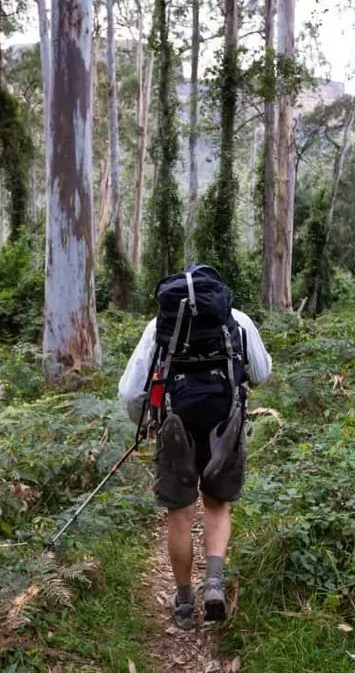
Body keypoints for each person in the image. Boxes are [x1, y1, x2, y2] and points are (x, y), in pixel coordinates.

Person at [117, 265, 272, 630]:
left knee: (180, 513)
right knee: (217, 505)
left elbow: (130, 391)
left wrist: (146, 420)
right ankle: (214, 583)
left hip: (175, 426)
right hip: (226, 425)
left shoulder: (160, 327)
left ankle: (184, 601)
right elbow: (262, 372)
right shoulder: (237, 321)